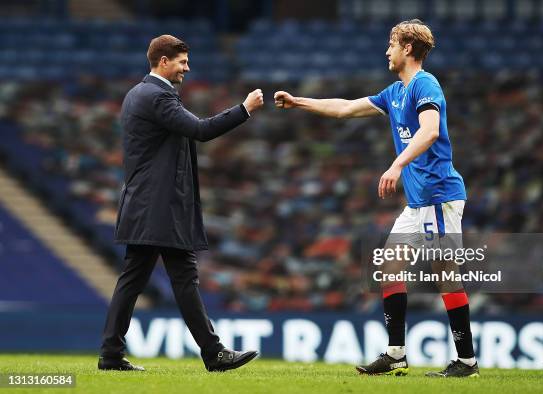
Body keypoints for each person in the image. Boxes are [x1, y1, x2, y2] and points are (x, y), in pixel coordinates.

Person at [274, 20, 479, 377]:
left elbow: (430, 132)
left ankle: (466, 361)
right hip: (418, 203)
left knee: (445, 274)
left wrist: (396, 165)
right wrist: (298, 101)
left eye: (392, 44)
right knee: (388, 268)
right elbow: (345, 108)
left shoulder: (424, 84)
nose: (387, 51)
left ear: (408, 49)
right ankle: (396, 354)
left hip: (438, 196)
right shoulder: (394, 92)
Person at [98, 35, 264, 372]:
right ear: (163, 61)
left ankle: (111, 354)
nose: (187, 68)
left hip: (147, 204)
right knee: (179, 277)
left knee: (134, 280)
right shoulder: (157, 97)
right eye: (182, 62)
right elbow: (200, 130)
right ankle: (212, 353)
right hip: (160, 206)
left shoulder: (138, 94)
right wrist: (244, 110)